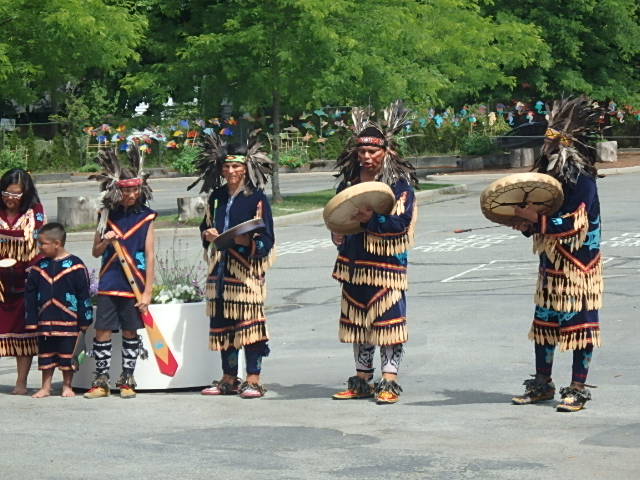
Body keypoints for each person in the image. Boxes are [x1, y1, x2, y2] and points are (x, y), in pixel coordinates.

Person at [510, 97, 604, 412]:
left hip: (579, 265)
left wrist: (537, 221)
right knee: (545, 324)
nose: (547, 147)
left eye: (553, 140)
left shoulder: (581, 178)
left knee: (579, 326)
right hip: (551, 263)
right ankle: (542, 383)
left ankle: (577, 387)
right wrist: (525, 222)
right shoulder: (548, 179)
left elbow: (576, 221)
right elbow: (543, 218)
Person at [330, 101, 418, 404]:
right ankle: (362, 379)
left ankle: (389, 381)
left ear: (386, 152)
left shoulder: (399, 186)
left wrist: (372, 220)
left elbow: (402, 223)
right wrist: (336, 231)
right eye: (362, 152)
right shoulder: (349, 183)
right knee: (358, 323)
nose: (366, 157)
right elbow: (338, 217)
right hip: (353, 264)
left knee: (387, 322)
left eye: (372, 152)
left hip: (386, 266)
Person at [190, 132, 274, 399]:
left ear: (246, 167)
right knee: (224, 325)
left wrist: (244, 240)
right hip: (220, 271)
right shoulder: (216, 196)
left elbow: (266, 236)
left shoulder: (256, 197)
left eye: (236, 166)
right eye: (227, 166)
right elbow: (206, 225)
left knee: (249, 326)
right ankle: (229, 378)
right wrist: (207, 236)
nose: (231, 170)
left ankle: (253, 378)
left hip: (245, 271)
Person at [84, 146, 156, 399]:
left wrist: (147, 292)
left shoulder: (147, 217)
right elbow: (95, 251)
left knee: (129, 331)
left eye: (134, 189)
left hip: (134, 282)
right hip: (109, 280)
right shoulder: (105, 215)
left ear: (140, 189)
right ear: (117, 189)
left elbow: (150, 255)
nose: (130, 194)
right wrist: (106, 240)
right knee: (102, 330)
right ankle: (101, 381)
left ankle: (127, 379)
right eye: (125, 190)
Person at [24, 223, 93, 398]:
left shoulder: (76, 266)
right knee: (46, 354)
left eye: (43, 243)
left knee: (67, 354)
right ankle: (46, 387)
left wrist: (85, 320)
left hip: (69, 320)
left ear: (57, 243)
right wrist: (31, 320)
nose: (39, 247)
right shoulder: (39, 268)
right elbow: (30, 296)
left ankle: (67, 386)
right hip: (45, 320)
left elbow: (83, 295)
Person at [0, 168, 46, 394]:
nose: (11, 199)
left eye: (17, 195)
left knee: (24, 333)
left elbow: (41, 245)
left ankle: (21, 382)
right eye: (7, 193)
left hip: (24, 279)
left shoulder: (35, 212)